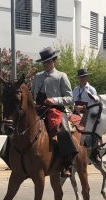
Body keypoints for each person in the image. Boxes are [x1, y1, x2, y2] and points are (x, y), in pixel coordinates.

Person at [31, 47, 77, 177]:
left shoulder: (61, 76)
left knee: (63, 133)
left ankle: (66, 163)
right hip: (38, 109)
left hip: (55, 110)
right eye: (44, 62)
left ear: (53, 61)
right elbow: (32, 93)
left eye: (48, 62)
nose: (46, 64)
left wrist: (54, 100)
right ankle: (11, 158)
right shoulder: (37, 76)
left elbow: (70, 98)